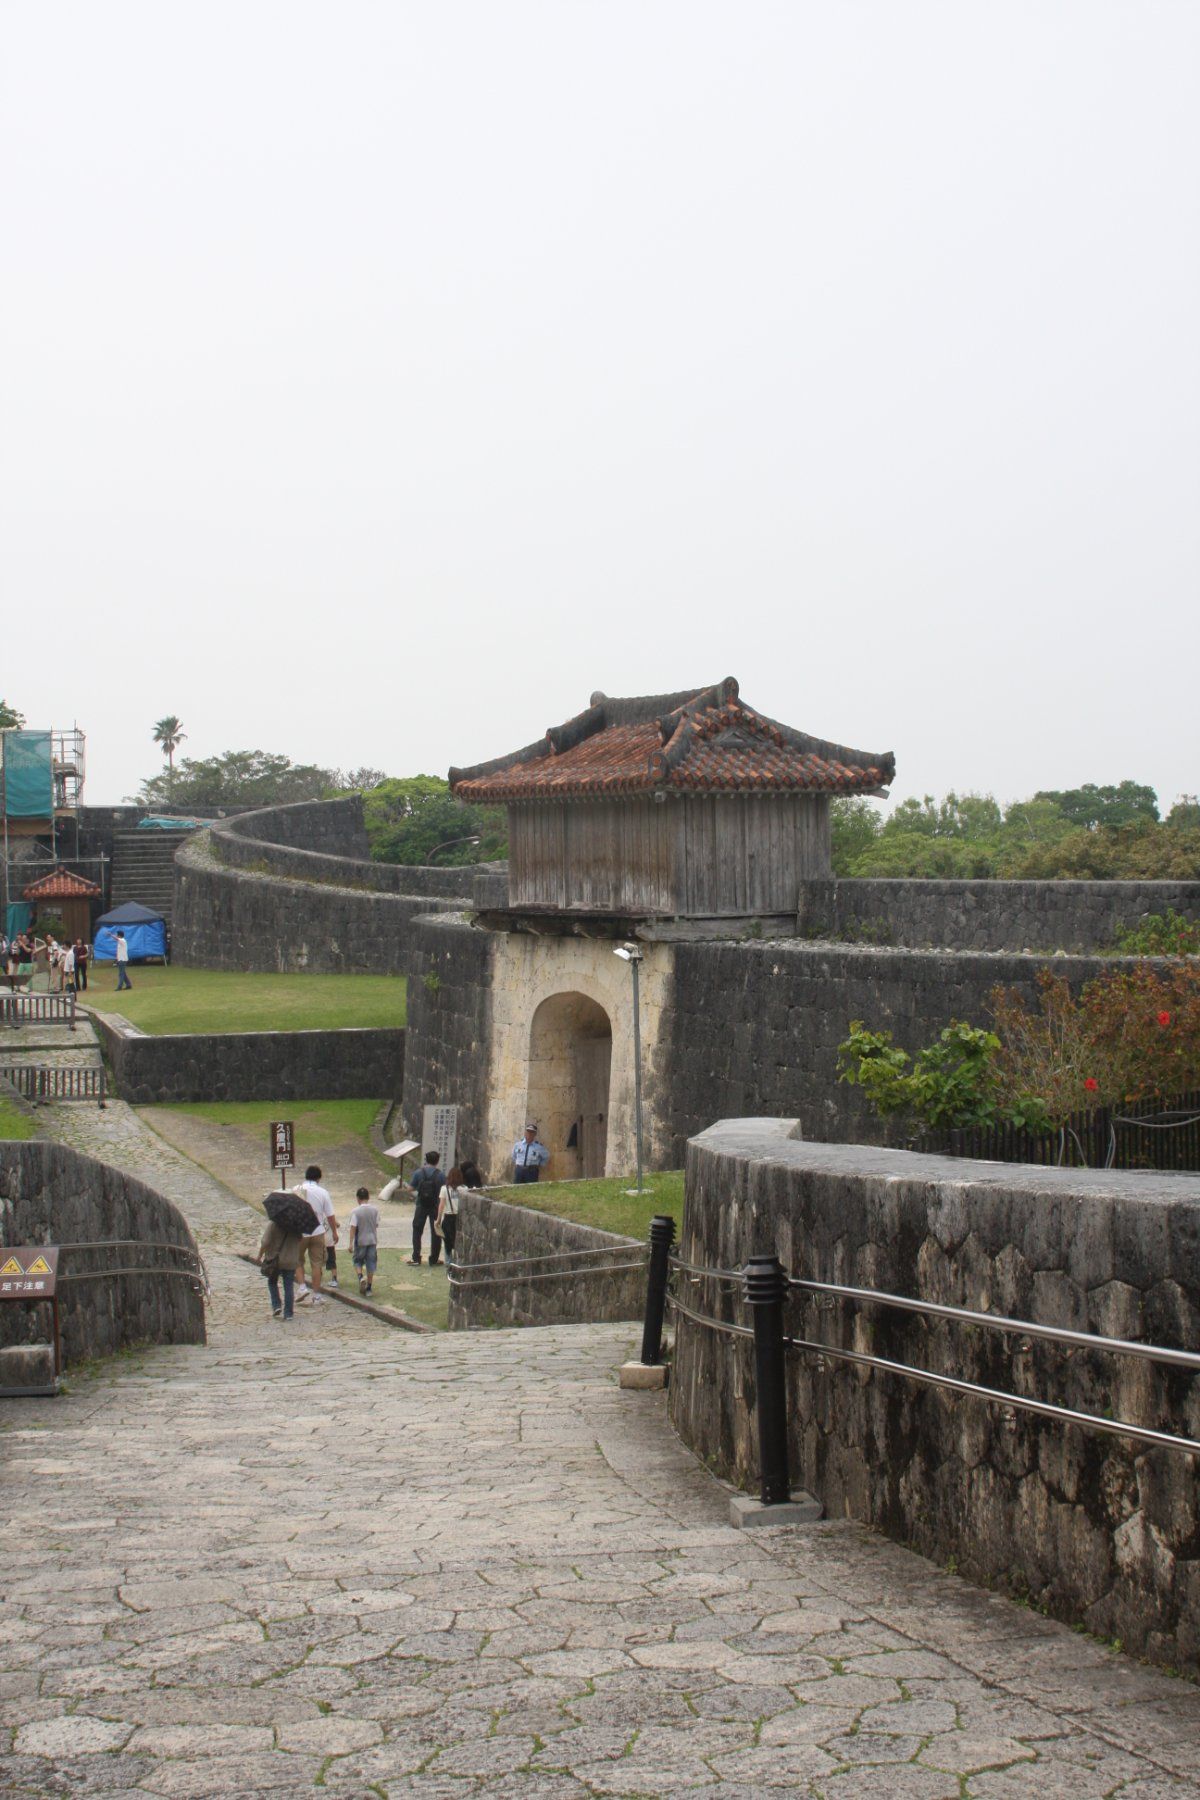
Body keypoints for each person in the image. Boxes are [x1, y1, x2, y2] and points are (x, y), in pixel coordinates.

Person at [293, 1165, 336, 1305]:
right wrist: (334, 1232)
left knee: (297, 1260)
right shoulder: (323, 1192)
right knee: (316, 1264)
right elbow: (330, 1215)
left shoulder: (296, 1190)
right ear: (319, 1178)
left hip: (301, 1231)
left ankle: (302, 1286)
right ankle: (316, 1295)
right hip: (317, 1230)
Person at [257, 1212, 303, 1321]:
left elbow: (265, 1241)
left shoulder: (274, 1223)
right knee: (288, 1286)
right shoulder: (296, 1225)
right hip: (291, 1259)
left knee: (272, 1282)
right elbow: (300, 1239)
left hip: (275, 1260)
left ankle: (276, 1305)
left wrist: (260, 1254)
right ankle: (288, 1313)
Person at [408, 1150, 443, 1266]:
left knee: (417, 1231)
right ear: (437, 1161)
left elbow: (410, 1188)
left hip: (421, 1205)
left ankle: (416, 1257)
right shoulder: (440, 1175)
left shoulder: (419, 1173)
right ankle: (434, 1259)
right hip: (435, 1206)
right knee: (436, 1233)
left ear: (426, 1160)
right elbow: (444, 1191)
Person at [347, 1186, 381, 1295]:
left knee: (357, 1261)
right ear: (368, 1197)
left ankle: (361, 1277)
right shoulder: (375, 1210)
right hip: (372, 1240)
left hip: (360, 1240)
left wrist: (350, 1243)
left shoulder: (355, 1211)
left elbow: (353, 1227)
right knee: (371, 1263)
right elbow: (376, 1224)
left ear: (358, 1198)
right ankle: (369, 1288)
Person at [436, 1165, 469, 1266]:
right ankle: (459, 1264)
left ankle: (449, 1264)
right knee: (459, 1242)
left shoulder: (444, 1188)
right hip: (460, 1218)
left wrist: (438, 1220)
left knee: (448, 1243)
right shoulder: (465, 1188)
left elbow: (441, 1205)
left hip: (448, 1218)